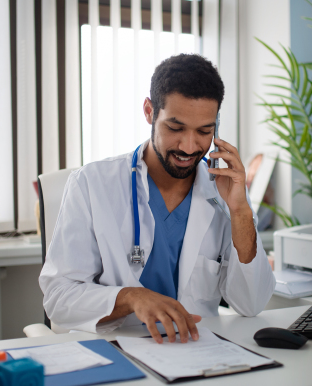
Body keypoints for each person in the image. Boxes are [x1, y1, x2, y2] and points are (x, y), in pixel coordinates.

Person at [39, 54, 275, 344]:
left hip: (197, 352)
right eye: (175, 128)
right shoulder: (92, 185)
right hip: (116, 348)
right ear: (150, 112)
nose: (189, 146)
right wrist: (130, 298)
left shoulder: (224, 193)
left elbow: (252, 304)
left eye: (204, 131)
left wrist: (240, 211)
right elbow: (58, 298)